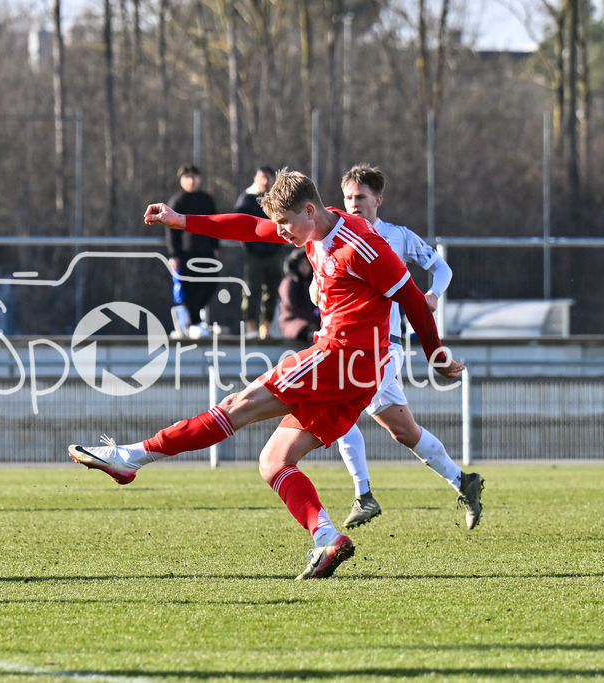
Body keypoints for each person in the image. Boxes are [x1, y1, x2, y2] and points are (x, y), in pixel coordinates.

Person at [68, 169, 466, 580]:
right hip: (355, 372)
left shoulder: (362, 246)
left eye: (286, 224)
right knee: (274, 461)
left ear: (309, 210)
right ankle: (326, 537)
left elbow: (414, 301)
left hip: (342, 358)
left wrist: (436, 357)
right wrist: (183, 220)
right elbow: (251, 227)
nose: (281, 234)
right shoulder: (315, 226)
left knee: (235, 406)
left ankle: (131, 457)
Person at [336, 164, 484, 530]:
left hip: (384, 345)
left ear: (377, 200)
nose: (353, 204)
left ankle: (364, 495)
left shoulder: (397, 237)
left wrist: (432, 295)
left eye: (360, 197)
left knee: (337, 408)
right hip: (349, 345)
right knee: (404, 431)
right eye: (347, 198)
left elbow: (441, 267)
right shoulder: (337, 236)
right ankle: (463, 481)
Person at [166, 164, 220, 338]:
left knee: (210, 284)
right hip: (186, 253)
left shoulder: (207, 199)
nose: (191, 180)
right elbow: (171, 230)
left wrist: (215, 246)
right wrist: (174, 254)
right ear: (181, 180)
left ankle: (188, 315)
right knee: (190, 286)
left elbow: (215, 224)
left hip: (206, 251)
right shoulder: (177, 201)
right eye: (187, 177)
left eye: (194, 176)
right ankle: (194, 323)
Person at [235, 166, 285, 339]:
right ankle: (250, 327)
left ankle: (267, 326)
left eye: (269, 177)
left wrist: (278, 246)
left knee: (273, 290)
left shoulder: (277, 199)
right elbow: (238, 223)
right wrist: (249, 246)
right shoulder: (246, 199)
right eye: (262, 177)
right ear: (255, 178)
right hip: (254, 254)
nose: (265, 181)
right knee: (251, 289)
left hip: (273, 253)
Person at [276, 248, 319, 344]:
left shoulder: (313, 282)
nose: (305, 267)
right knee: (311, 332)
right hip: (293, 321)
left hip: (314, 319)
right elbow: (291, 307)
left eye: (306, 264)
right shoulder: (289, 283)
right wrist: (312, 318)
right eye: (301, 264)